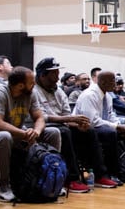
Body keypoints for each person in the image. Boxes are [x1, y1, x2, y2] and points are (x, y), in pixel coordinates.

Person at [0, 65, 62, 201]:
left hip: (17, 132)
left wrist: (36, 131)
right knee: (4, 136)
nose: (34, 84)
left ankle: (50, 177)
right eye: (31, 82)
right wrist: (24, 134)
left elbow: (40, 118)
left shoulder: (30, 93)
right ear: (21, 85)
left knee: (53, 132)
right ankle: (4, 186)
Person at [33, 57, 118, 191]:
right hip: (42, 126)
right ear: (42, 75)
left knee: (89, 130)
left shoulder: (59, 91)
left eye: (58, 73)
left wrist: (78, 124)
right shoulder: (34, 91)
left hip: (62, 124)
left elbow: (67, 114)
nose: (57, 78)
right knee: (64, 132)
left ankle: (99, 175)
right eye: (54, 74)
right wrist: (70, 120)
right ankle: (71, 179)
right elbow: (43, 117)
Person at [74, 70, 125, 180]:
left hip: (101, 125)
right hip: (85, 128)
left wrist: (118, 124)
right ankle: (114, 172)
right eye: (112, 81)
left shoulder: (108, 96)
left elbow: (111, 115)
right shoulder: (89, 95)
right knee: (110, 133)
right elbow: (92, 121)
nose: (115, 84)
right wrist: (115, 126)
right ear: (103, 82)